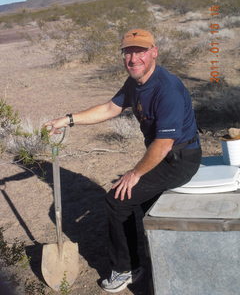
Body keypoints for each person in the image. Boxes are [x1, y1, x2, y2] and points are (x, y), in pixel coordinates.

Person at [44, 29, 202, 293]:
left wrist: (135, 173)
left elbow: (163, 145)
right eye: (128, 52)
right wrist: (67, 119)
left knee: (117, 200)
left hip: (180, 158)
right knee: (141, 201)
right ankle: (154, 252)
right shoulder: (136, 83)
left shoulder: (167, 88)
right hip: (164, 155)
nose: (133, 58)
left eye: (140, 51)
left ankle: (126, 269)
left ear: (154, 52)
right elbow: (110, 108)